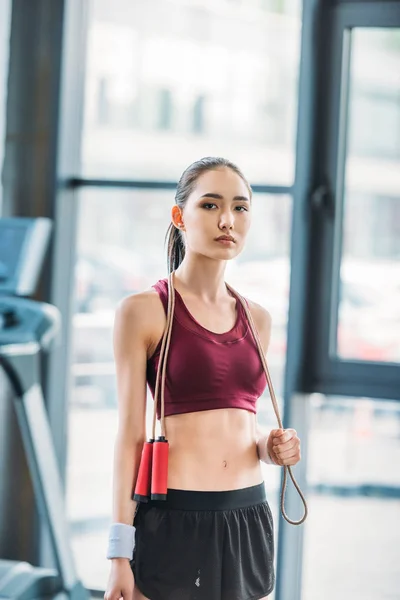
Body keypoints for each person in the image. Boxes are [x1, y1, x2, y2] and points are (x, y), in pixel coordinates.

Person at [104, 157, 302, 600]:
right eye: (210, 206)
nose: (227, 220)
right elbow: (130, 438)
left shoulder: (258, 318)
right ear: (180, 217)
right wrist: (119, 554)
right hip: (175, 515)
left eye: (240, 208)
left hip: (247, 513)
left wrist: (271, 445)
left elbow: (239, 422)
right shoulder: (144, 310)